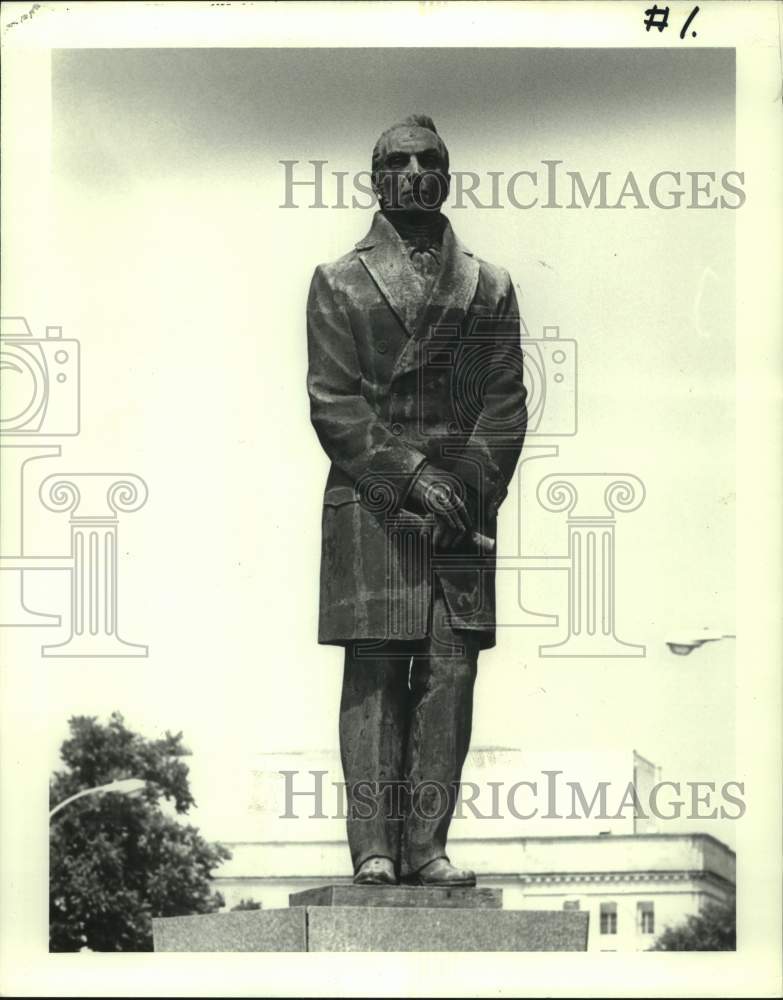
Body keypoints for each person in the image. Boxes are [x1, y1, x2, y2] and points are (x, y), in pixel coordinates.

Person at [306, 115, 527, 886]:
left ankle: (427, 845)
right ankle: (372, 846)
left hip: (461, 508)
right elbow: (334, 402)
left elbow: (503, 402)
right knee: (375, 670)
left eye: (426, 159)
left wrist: (469, 488)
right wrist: (408, 476)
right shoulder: (338, 281)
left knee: (449, 671)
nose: (411, 172)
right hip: (375, 503)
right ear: (376, 178)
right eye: (395, 161)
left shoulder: (488, 285)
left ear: (446, 174)